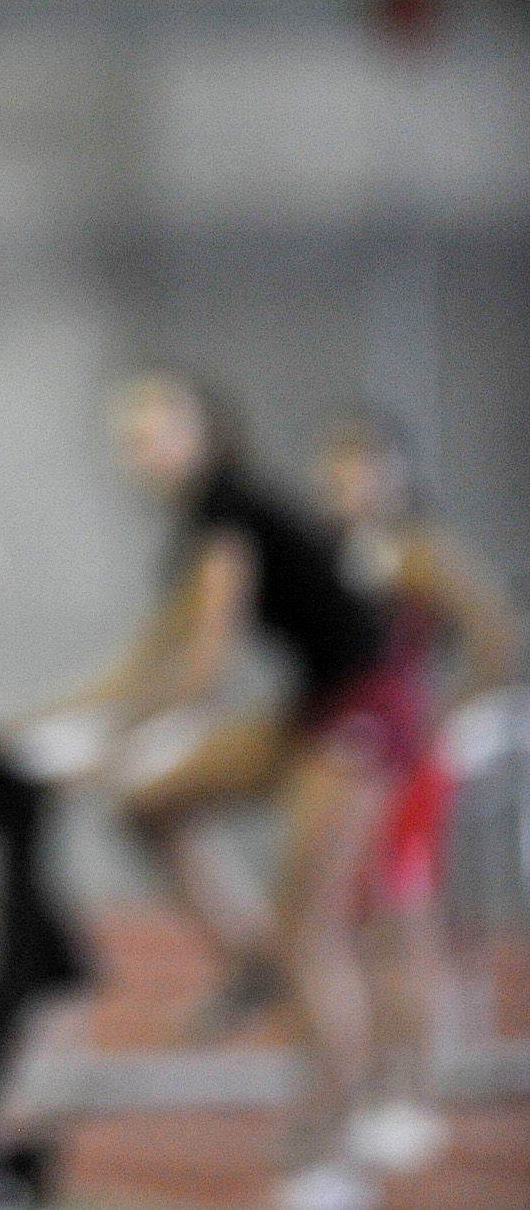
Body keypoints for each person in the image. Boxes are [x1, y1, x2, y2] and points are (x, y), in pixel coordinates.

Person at [26, 368, 425, 1210]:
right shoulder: (193, 526)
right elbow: (146, 657)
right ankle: (250, 962)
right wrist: (44, 719)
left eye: (161, 426)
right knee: (149, 806)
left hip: (363, 712)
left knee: (311, 927)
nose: (144, 446)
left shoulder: (228, 511)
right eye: (131, 433)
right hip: (314, 704)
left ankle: (333, 1141)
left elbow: (204, 669)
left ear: (208, 429)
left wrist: (111, 746)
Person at [313, 403, 518, 1180]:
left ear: (395, 474)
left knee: (403, 927)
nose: (345, 485)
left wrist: (453, 720)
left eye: (360, 468)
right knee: (363, 927)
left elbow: (494, 628)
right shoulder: (342, 553)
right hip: (355, 760)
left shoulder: (417, 552)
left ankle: (414, 1092)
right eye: (334, 472)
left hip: (404, 765)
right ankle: (376, 1084)